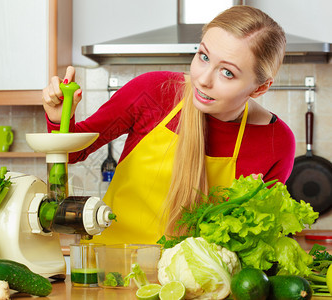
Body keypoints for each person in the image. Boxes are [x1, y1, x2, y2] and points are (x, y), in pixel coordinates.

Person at [42, 6, 295, 244]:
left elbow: (257, 236)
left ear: (260, 88)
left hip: (196, 285)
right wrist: (58, 117)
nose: (203, 79)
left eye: (227, 72)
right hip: (113, 271)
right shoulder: (153, 91)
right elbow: (74, 152)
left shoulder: (276, 142)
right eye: (203, 56)